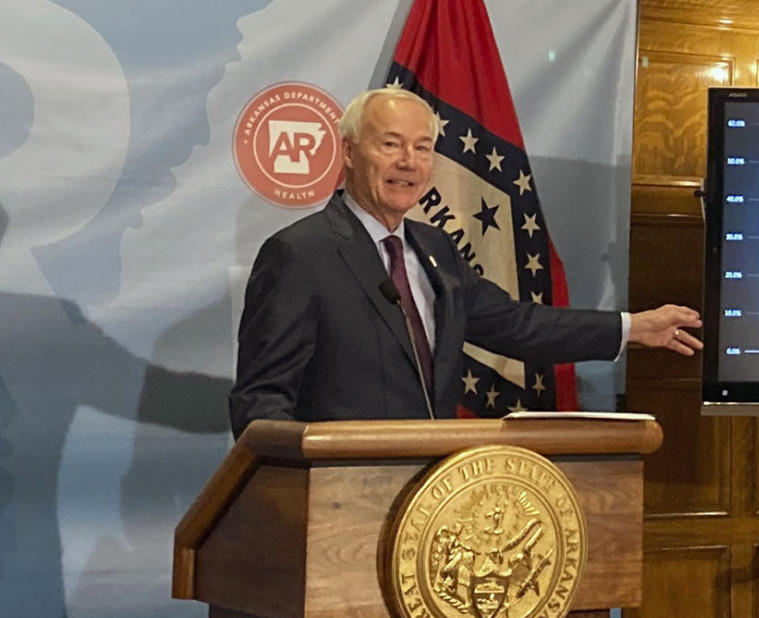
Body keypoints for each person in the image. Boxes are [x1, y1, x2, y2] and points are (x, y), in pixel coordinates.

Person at [228, 87, 701, 437]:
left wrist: (631, 328)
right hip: (337, 501)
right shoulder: (299, 254)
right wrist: (296, 486)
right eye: (390, 144)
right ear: (350, 152)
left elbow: (519, 325)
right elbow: (261, 400)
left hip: (431, 494)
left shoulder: (437, 250)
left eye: (422, 148)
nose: (408, 162)